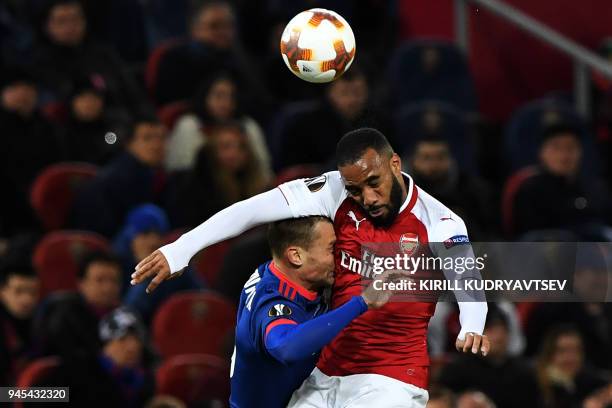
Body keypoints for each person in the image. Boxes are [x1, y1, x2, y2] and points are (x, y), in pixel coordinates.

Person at [132, 128, 489, 407]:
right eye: (355, 189)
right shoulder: (333, 191)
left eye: (374, 183)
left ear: (395, 164)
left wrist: (471, 326)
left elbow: (469, 286)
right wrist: (183, 248)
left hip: (391, 377)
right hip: (327, 373)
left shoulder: (441, 222)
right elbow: (252, 209)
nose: (367, 198)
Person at [231, 216, 401, 408]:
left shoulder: (287, 274)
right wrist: (362, 302)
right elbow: (285, 347)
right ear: (296, 256)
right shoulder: (271, 299)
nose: (340, 255)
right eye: (331, 248)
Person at [32, 0, 146, 117]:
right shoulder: (41, 63)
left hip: (123, 120)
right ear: (46, 27)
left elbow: (132, 92)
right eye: (62, 22)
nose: (70, 27)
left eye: (75, 19)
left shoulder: (103, 53)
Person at [276, 68, 392, 170]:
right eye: (344, 93)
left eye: (357, 92)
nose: (352, 100)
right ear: (329, 93)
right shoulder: (305, 125)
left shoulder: (379, 122)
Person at [70, 117, 168, 237]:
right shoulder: (115, 180)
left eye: (161, 138)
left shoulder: (153, 174)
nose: (156, 145)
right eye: (147, 138)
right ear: (129, 143)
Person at [164, 72, 271, 180]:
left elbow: (263, 169)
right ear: (205, 96)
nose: (226, 103)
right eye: (219, 96)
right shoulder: (189, 125)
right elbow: (182, 169)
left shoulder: (248, 126)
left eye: (231, 97)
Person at [512, 123, 612, 238]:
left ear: (581, 152)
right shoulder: (530, 190)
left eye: (570, 147)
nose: (564, 155)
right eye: (556, 148)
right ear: (542, 153)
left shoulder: (596, 188)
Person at [42, 307, 155, 407]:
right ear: (105, 345)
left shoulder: (145, 381)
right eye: (122, 339)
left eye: (137, 340)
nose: (132, 347)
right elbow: (33, 397)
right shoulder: (78, 372)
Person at [0, 65, 64, 237]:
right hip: (10, 209)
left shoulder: (47, 125)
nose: (23, 93)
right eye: (14, 88)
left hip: (47, 202)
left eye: (28, 87)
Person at [168, 122, 270, 228]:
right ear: (212, 151)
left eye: (241, 147)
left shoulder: (256, 186)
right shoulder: (199, 188)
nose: (234, 153)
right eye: (226, 147)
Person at [437, 305, 541, 408]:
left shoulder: (523, 373)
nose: (498, 337)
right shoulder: (457, 370)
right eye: (491, 331)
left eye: (503, 330)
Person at [35, 251, 121, 360]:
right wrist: (106, 359)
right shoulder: (65, 315)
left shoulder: (125, 315)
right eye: (100, 280)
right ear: (82, 283)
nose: (108, 288)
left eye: (114, 281)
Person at [406, 135, 495, 239]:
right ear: (414, 161)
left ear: (451, 160)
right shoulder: (403, 193)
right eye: (426, 158)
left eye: (440, 157)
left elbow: (487, 237)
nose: (434, 165)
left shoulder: (472, 191)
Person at [536, 326, 610, 408]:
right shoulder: (537, 384)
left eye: (576, 351)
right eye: (562, 351)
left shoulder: (583, 380)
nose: (571, 358)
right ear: (549, 354)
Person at [0, 261, 40, 385]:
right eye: (19, 291)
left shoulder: (42, 322)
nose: (26, 299)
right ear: (2, 291)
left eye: (32, 292)